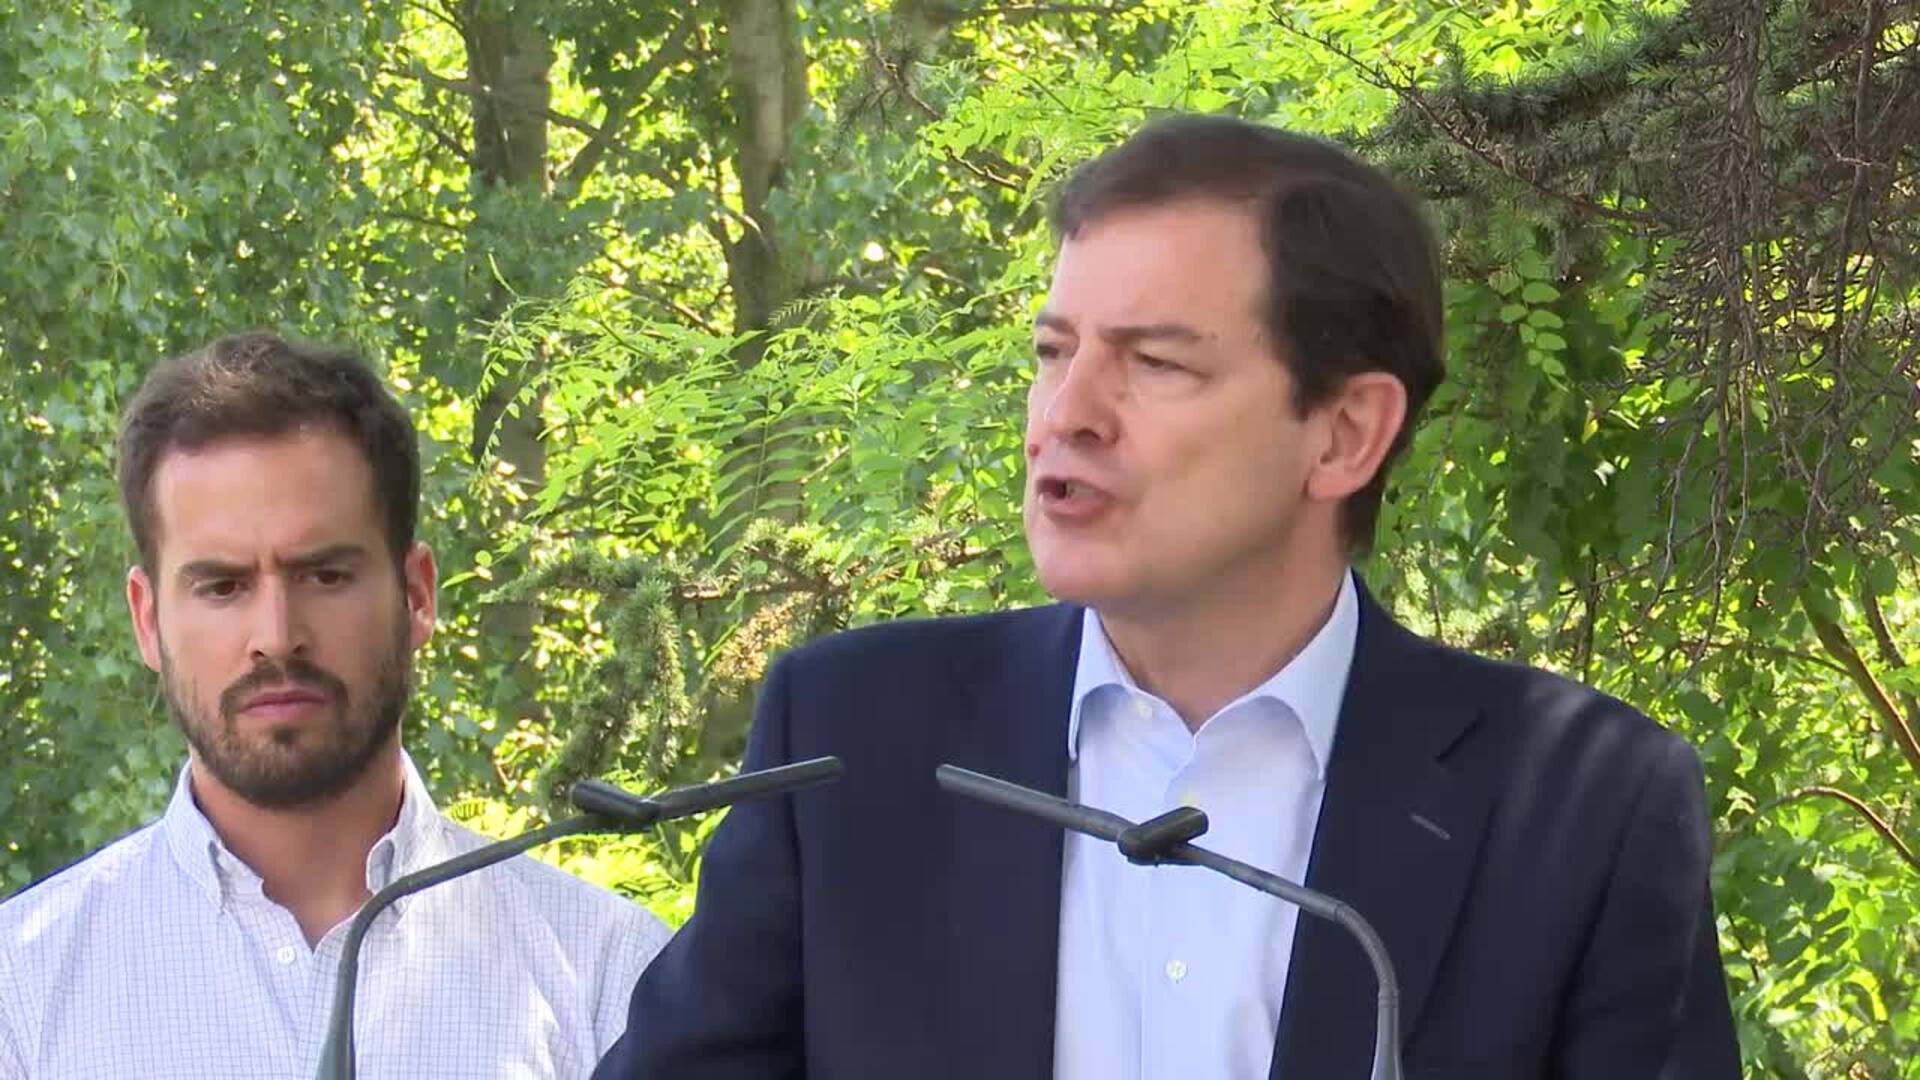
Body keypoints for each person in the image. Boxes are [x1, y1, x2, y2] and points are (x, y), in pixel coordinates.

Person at [593, 114, 1740, 1079]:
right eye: (1054, 352)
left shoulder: (1582, 806)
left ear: (1345, 434)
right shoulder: (852, 739)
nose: (1067, 415)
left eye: (1156, 364)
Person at [0, 333, 670, 1079]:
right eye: (222, 586)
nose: (276, 636)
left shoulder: (608, 978)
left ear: (416, 596)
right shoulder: (21, 995)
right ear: (148, 619)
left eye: (324, 576)